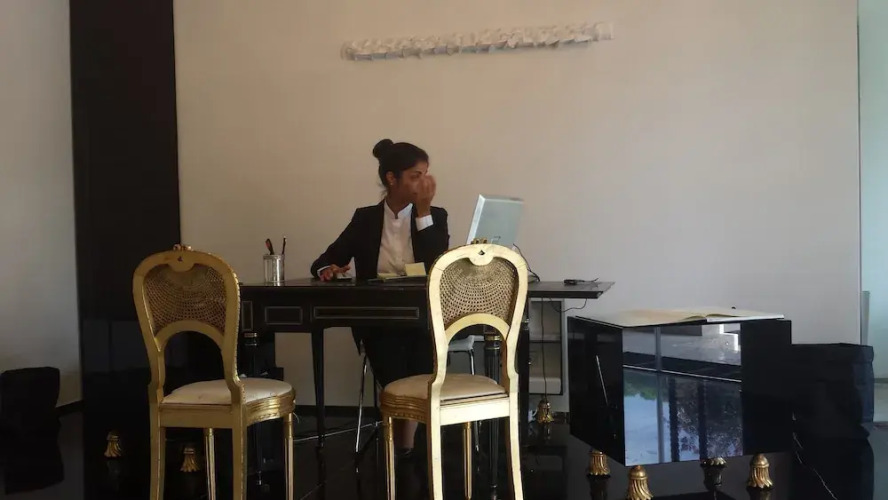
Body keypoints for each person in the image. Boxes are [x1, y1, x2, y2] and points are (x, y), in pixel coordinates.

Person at [310, 138, 449, 455]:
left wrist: (423, 212)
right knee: (390, 353)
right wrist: (329, 269)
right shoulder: (366, 219)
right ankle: (405, 443)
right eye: (415, 176)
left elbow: (437, 264)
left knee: (421, 351)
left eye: (425, 175)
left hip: (423, 316)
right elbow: (324, 261)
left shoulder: (435, 216)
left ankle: (405, 442)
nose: (424, 182)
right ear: (391, 178)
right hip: (378, 317)